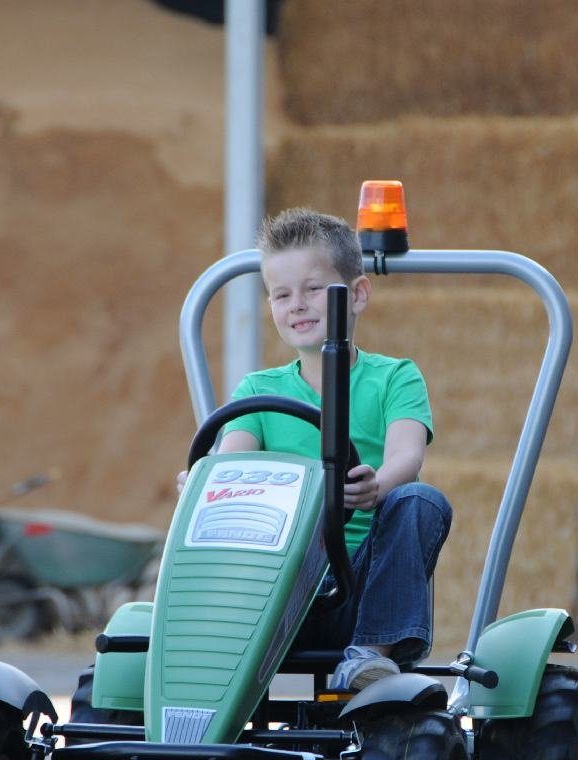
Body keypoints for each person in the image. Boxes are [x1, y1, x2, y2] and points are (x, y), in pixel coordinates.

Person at [181, 207, 452, 691]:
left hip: (359, 581)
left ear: (358, 294)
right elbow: (230, 459)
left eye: (312, 289)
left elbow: (407, 456)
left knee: (421, 499)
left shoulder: (394, 377)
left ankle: (371, 653)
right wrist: (204, 482)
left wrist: (378, 484)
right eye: (281, 295)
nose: (297, 305)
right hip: (275, 582)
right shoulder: (257, 390)